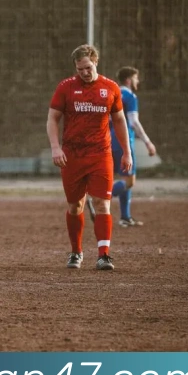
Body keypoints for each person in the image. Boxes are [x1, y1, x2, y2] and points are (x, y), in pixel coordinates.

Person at [46, 44, 133, 271]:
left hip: (100, 154)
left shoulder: (110, 88)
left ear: (96, 62)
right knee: (75, 206)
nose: (84, 72)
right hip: (72, 156)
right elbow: (53, 118)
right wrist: (55, 147)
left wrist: (127, 152)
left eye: (88, 67)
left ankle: (104, 255)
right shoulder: (66, 87)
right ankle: (76, 252)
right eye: (79, 69)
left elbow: (120, 120)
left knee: (102, 203)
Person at [107, 66, 156, 227]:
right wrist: (148, 142)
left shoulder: (111, 94)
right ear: (128, 80)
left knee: (124, 178)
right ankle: (100, 197)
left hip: (109, 140)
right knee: (129, 182)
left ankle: (125, 217)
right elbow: (133, 122)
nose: (137, 81)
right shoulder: (130, 96)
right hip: (124, 142)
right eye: (136, 78)